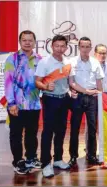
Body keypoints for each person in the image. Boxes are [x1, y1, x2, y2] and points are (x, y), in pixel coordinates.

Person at [4, 30, 42, 174]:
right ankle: (18, 161)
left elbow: (42, 80)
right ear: (20, 42)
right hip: (17, 104)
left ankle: (31, 158)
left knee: (32, 133)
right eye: (24, 40)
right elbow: (8, 82)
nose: (27, 42)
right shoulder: (12, 59)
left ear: (34, 42)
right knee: (16, 134)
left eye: (30, 40)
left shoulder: (39, 59)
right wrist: (11, 103)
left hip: (33, 104)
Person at [35, 35, 72, 178]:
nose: (59, 49)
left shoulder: (68, 62)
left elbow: (70, 81)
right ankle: (45, 163)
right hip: (50, 99)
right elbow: (37, 82)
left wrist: (72, 91)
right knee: (48, 132)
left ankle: (57, 159)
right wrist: (45, 86)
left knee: (61, 130)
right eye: (57, 46)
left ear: (66, 48)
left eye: (62, 46)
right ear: (52, 46)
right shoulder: (44, 62)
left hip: (64, 99)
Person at [68, 37, 104, 167]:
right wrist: (85, 91)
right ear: (79, 47)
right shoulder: (71, 62)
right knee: (75, 128)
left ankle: (91, 155)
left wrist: (100, 94)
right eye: (82, 46)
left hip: (93, 98)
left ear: (90, 48)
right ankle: (73, 156)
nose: (85, 49)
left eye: (87, 46)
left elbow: (99, 81)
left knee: (92, 128)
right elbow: (71, 82)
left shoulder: (95, 62)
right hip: (77, 97)